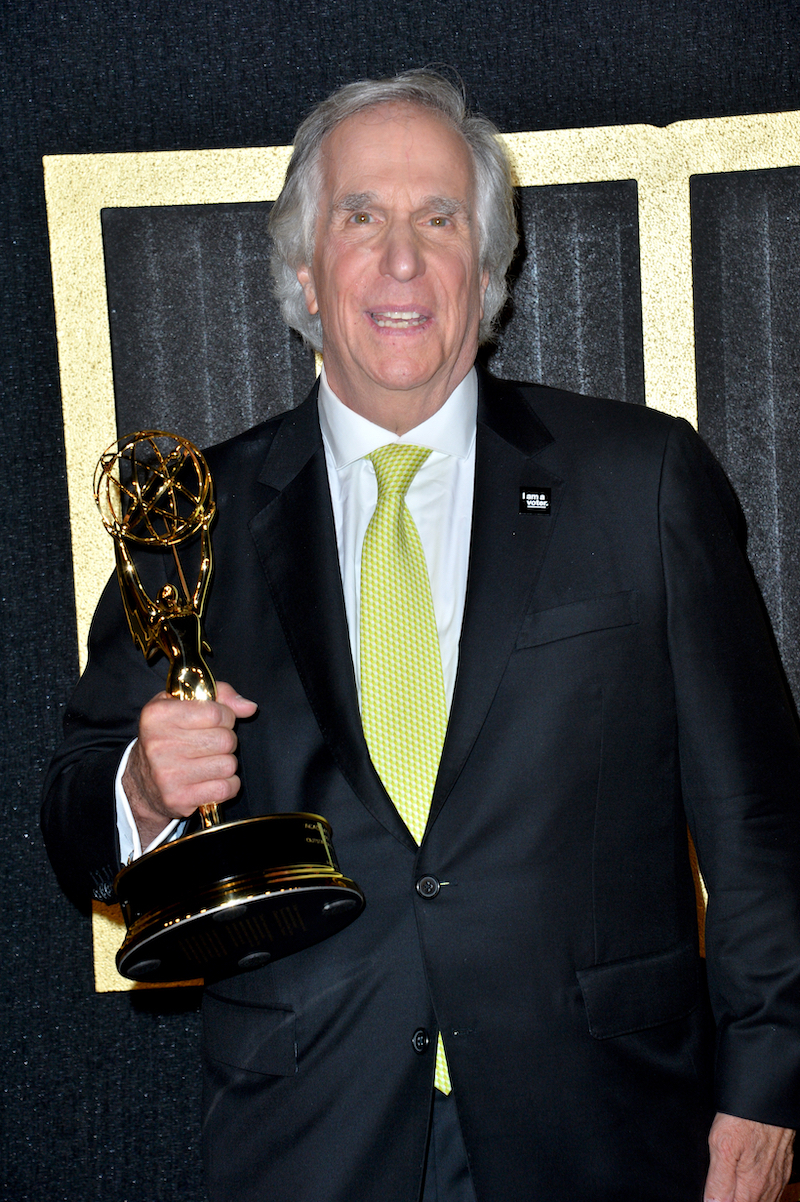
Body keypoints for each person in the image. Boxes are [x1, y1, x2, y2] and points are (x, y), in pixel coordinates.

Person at [42, 71, 800, 1202]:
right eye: (361, 217)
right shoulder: (190, 516)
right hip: (312, 1134)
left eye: (438, 219)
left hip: (606, 1129)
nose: (401, 261)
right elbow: (72, 822)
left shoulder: (636, 481)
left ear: (487, 271)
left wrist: (767, 1090)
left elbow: (759, 825)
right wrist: (142, 790)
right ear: (302, 270)